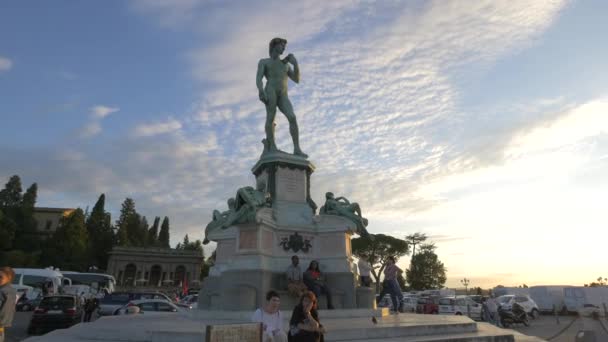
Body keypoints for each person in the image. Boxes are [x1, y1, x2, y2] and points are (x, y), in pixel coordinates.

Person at [256, 37, 307, 158]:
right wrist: (261, 90)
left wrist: (295, 64)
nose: (284, 48)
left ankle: (297, 149)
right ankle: (272, 145)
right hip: (271, 90)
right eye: (282, 46)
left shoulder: (286, 65)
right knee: (271, 117)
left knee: (292, 117)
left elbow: (297, 79)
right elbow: (259, 78)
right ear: (274, 46)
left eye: (284, 47)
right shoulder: (264, 62)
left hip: (283, 94)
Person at [0, 267, 17, 342]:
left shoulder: (5, 291)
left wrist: (1, 323)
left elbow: (6, 310)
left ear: (9, 278)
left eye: (0, 277)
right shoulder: (9, 291)